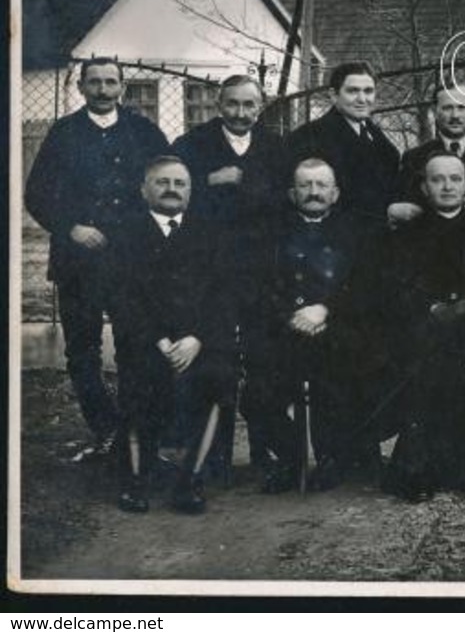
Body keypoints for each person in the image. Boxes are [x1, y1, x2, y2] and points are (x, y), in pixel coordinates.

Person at [24, 58, 169, 456]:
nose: (103, 90)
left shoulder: (144, 132)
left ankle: (139, 432)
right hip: (78, 263)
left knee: (136, 345)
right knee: (82, 351)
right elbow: (36, 193)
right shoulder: (63, 133)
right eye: (95, 82)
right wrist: (71, 227)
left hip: (131, 263)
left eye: (111, 82)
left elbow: (170, 183)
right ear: (81, 87)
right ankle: (105, 429)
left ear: (122, 86)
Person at [373, 153, 465, 502]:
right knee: (424, 368)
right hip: (428, 326)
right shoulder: (406, 233)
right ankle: (422, 470)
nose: (447, 186)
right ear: (424, 187)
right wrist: (431, 306)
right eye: (438, 179)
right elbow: (395, 286)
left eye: (455, 178)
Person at [171, 74, 286, 475]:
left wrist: (245, 181)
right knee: (216, 359)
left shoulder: (275, 146)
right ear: (219, 104)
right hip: (210, 273)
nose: (240, 113)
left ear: (261, 105)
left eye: (248, 105)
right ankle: (214, 455)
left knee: (263, 362)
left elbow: (286, 200)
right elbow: (171, 196)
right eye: (232, 104)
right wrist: (207, 182)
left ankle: (263, 452)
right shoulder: (191, 145)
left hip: (260, 273)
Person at [109, 157, 235, 514]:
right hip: (148, 341)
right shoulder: (125, 234)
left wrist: (197, 338)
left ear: (191, 191)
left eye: (180, 184)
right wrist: (159, 340)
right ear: (144, 189)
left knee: (219, 377)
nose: (171, 190)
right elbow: (121, 297)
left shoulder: (209, 233)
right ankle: (135, 481)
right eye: (162, 182)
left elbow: (224, 294)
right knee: (139, 383)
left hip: (199, 342)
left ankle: (189, 481)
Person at [251, 159, 367, 494]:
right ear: (292, 192)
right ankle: (291, 457)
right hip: (283, 329)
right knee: (258, 393)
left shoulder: (353, 232)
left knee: (338, 383)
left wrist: (326, 309)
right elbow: (258, 285)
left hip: (336, 327)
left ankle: (332, 460)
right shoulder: (272, 233)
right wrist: (291, 315)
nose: (313, 192)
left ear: (335, 193)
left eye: (321, 186)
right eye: (305, 185)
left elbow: (364, 284)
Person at [286, 61, 401, 228]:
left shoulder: (376, 136)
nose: (362, 99)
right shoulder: (307, 138)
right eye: (353, 91)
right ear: (333, 95)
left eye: (368, 91)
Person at [391, 84, 465, 222]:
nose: (455, 115)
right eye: (447, 108)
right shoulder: (414, 158)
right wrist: (394, 209)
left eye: (462, 107)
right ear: (435, 112)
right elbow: (400, 202)